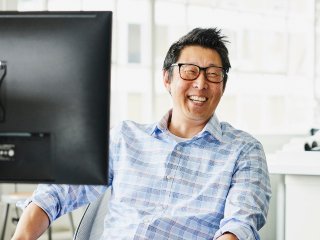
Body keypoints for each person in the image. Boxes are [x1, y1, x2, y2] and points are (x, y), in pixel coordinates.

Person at [12, 27, 271, 240]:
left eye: (213, 75)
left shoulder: (244, 151)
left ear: (222, 86)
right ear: (167, 79)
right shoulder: (125, 137)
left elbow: (239, 226)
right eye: (190, 71)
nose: (201, 83)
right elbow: (57, 192)